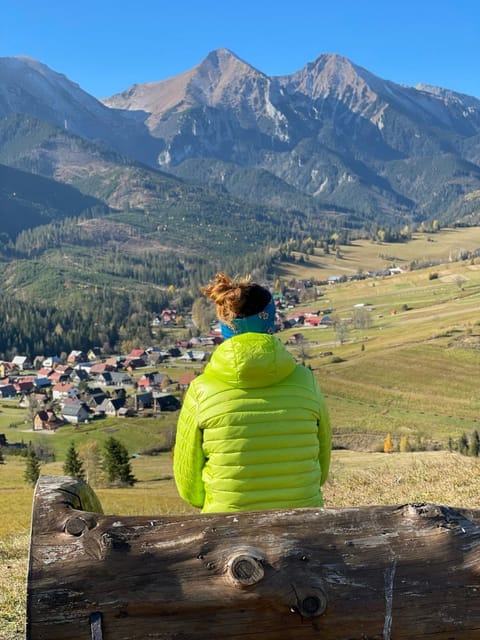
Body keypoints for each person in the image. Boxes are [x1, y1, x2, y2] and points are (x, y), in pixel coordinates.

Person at [173, 272, 331, 513]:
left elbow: (188, 486)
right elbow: (321, 467)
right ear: (271, 322)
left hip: (227, 529)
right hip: (304, 524)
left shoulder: (201, 390)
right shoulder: (305, 381)